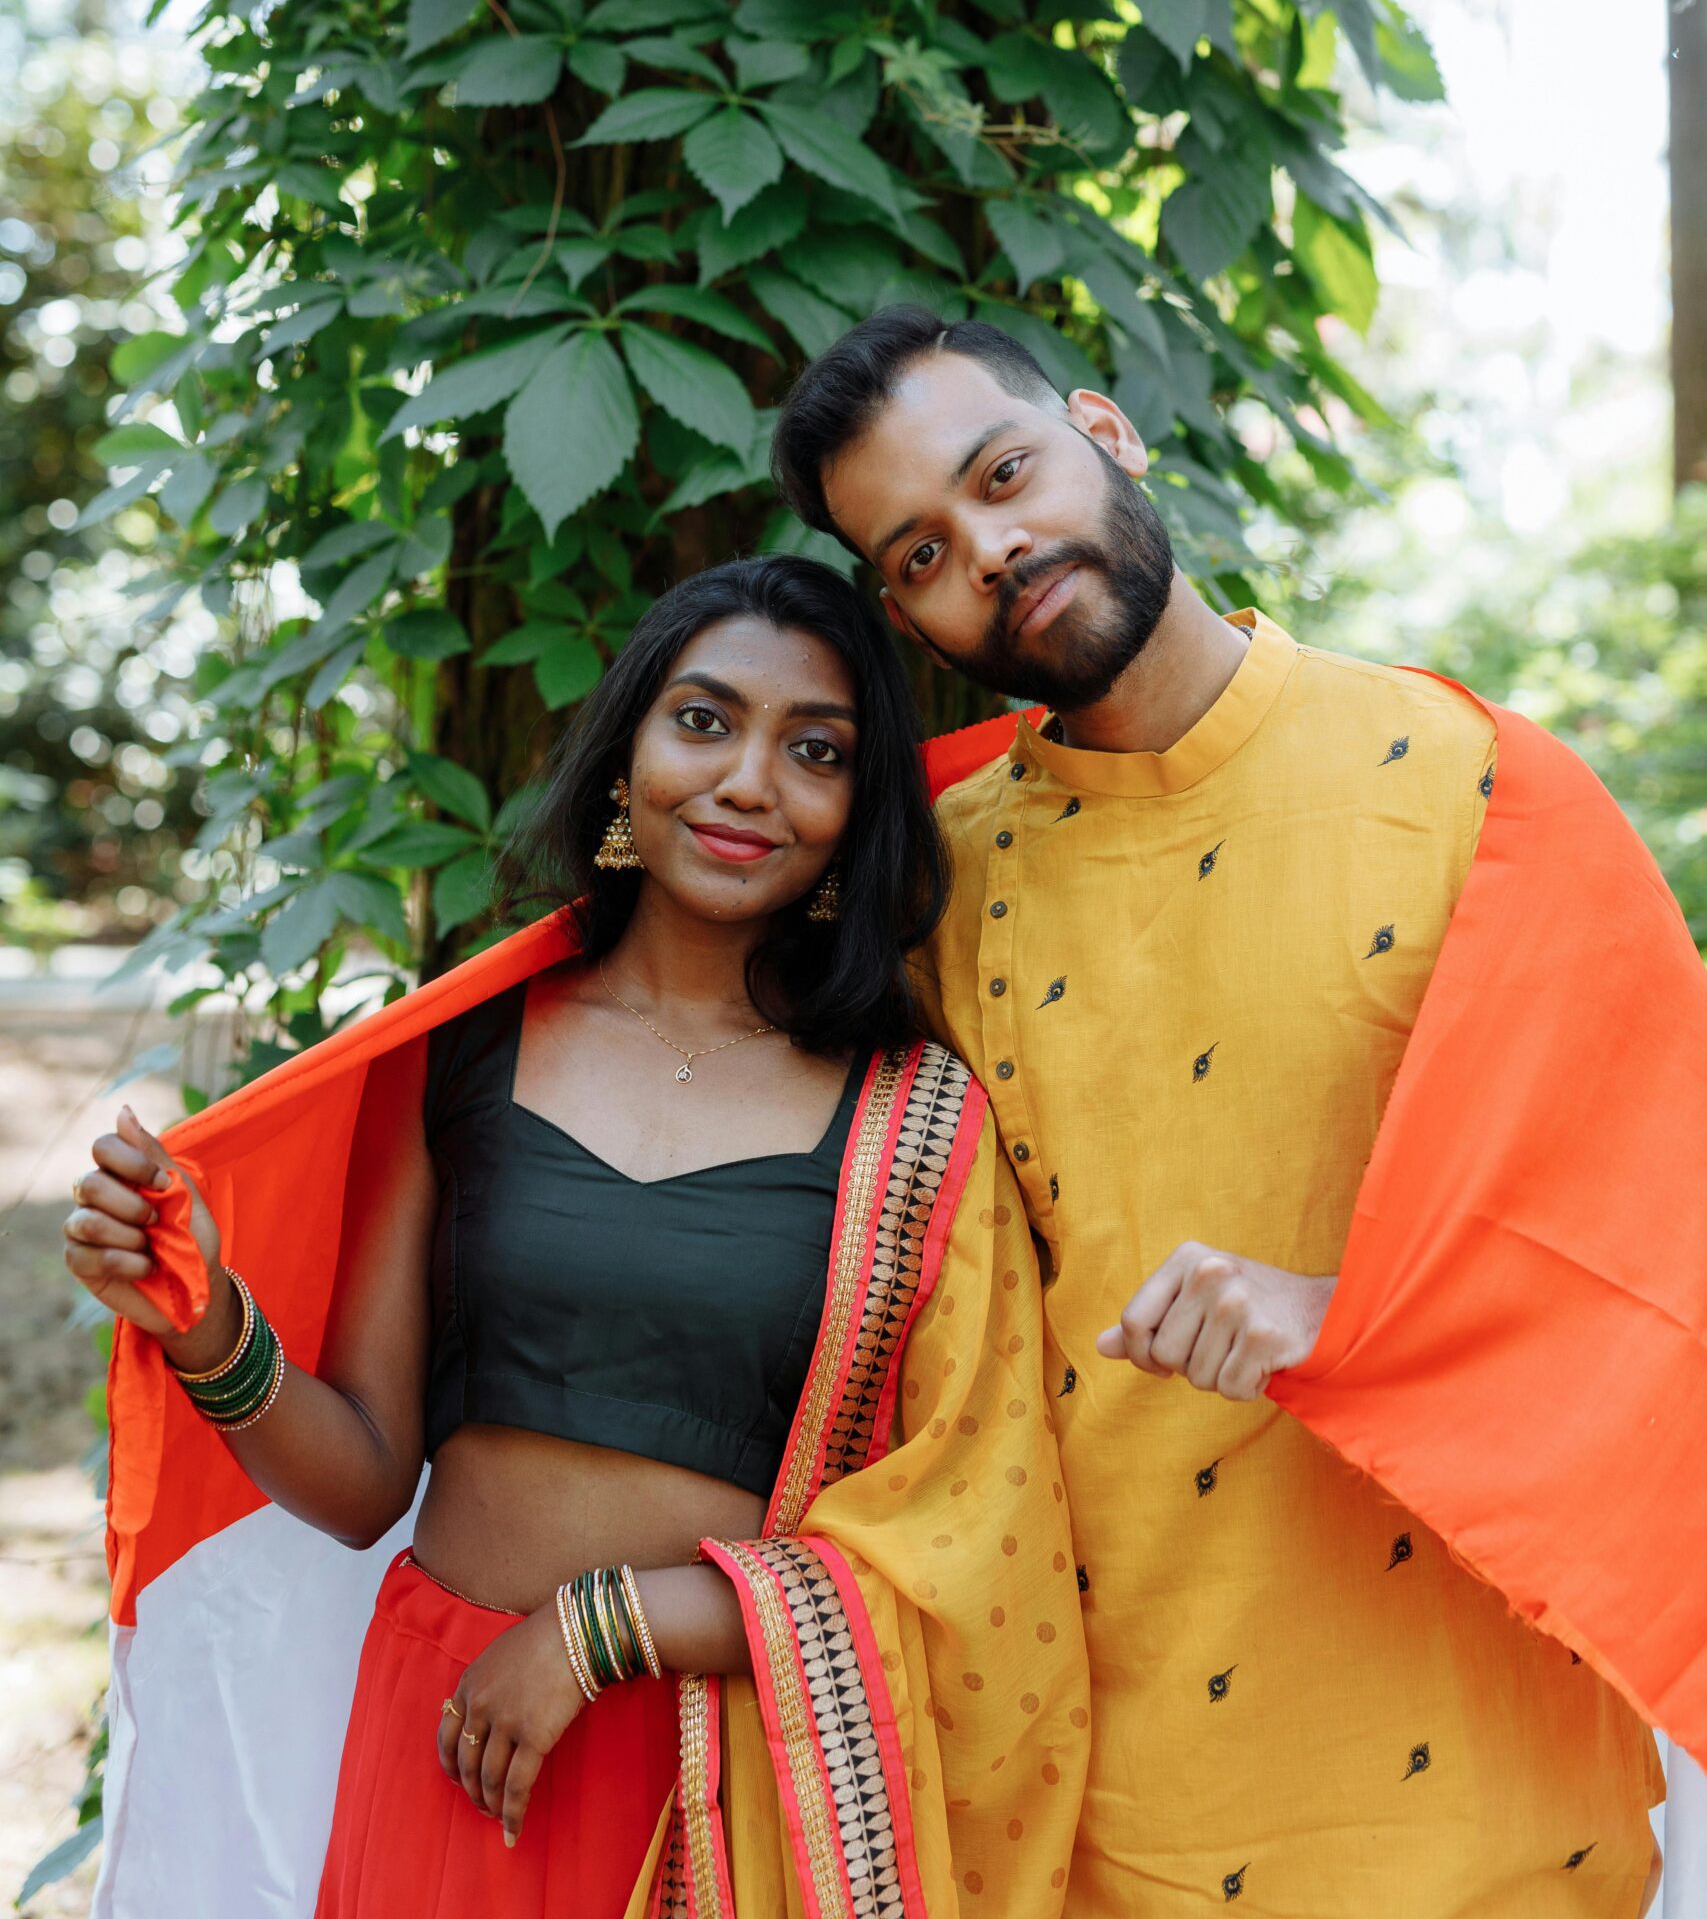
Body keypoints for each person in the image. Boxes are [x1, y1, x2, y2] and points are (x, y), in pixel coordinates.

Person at [772, 307, 1707, 1918]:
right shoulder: (932, 886)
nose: (990, 550)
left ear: (1106, 431)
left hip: (1488, 1809)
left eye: (1006, 475)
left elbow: (1668, 1264)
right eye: (921, 553)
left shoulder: (1479, 792)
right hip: (1104, 1811)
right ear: (902, 611)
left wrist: (1356, 1320)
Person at [68, 555, 1089, 1919]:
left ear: (859, 812)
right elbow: (370, 1480)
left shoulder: (918, 1126)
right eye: (704, 720)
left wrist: (601, 1627)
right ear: (624, 758)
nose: (747, 783)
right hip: (449, 1731)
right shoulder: (466, 1049)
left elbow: (964, 1548)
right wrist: (203, 1325)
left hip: (717, 1770)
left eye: (817, 750)